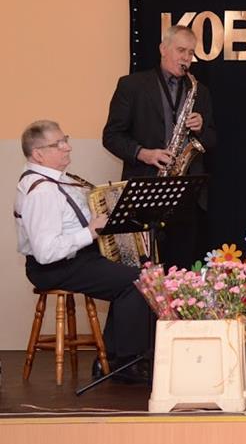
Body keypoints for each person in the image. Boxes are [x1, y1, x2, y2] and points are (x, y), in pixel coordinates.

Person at [14, 120, 151, 382]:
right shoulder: (41, 191)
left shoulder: (59, 180)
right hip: (53, 267)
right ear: (38, 154)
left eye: (65, 140)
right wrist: (90, 232)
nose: (67, 147)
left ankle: (111, 359)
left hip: (75, 258)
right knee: (135, 282)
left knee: (135, 275)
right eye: (58, 144)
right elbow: (45, 252)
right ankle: (127, 363)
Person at [102, 25, 216, 270]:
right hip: (145, 188)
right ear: (163, 49)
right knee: (145, 269)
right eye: (181, 50)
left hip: (186, 194)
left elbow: (211, 139)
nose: (186, 58)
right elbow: (111, 136)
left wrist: (200, 129)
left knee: (182, 267)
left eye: (191, 53)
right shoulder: (132, 85)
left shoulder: (199, 91)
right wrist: (143, 153)